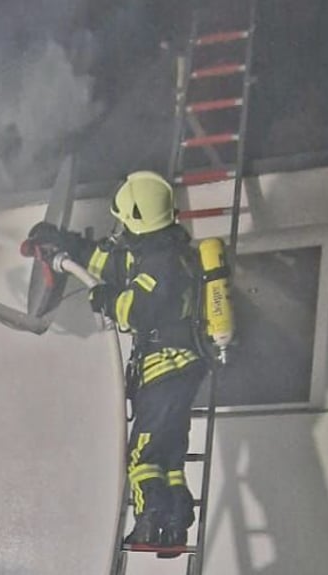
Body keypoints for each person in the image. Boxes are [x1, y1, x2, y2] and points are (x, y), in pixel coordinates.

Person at [23, 171, 208, 548]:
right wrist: (66, 244)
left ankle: (147, 525)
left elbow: (137, 309)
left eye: (124, 221)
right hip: (178, 369)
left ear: (136, 221)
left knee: (140, 455)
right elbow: (109, 263)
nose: (119, 228)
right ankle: (175, 524)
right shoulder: (161, 254)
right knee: (168, 454)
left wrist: (104, 300)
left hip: (165, 367)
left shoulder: (161, 265)